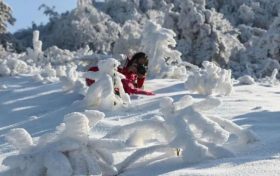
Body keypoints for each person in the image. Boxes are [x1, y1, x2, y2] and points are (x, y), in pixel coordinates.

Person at [86, 52, 155, 96]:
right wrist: (127, 70)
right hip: (95, 74)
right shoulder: (123, 59)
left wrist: (141, 77)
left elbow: (136, 88)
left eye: (142, 65)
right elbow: (111, 68)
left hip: (105, 88)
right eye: (138, 62)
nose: (138, 65)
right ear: (134, 59)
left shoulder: (134, 75)